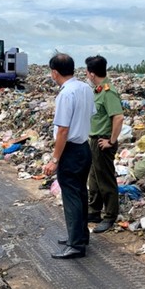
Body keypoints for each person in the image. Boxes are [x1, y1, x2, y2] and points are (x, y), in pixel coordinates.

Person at [43, 53, 95, 259]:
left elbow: (63, 130)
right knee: (81, 193)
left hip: (71, 151)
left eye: (51, 72)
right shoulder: (85, 88)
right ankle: (81, 235)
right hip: (84, 147)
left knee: (71, 196)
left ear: (55, 72)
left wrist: (55, 159)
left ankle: (75, 245)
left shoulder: (66, 94)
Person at [84, 55, 124, 233]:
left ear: (92, 74)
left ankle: (110, 216)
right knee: (94, 178)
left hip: (103, 141)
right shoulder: (98, 90)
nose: (86, 75)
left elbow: (118, 117)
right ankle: (94, 211)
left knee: (105, 180)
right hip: (94, 140)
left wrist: (112, 141)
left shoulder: (108, 92)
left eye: (87, 72)